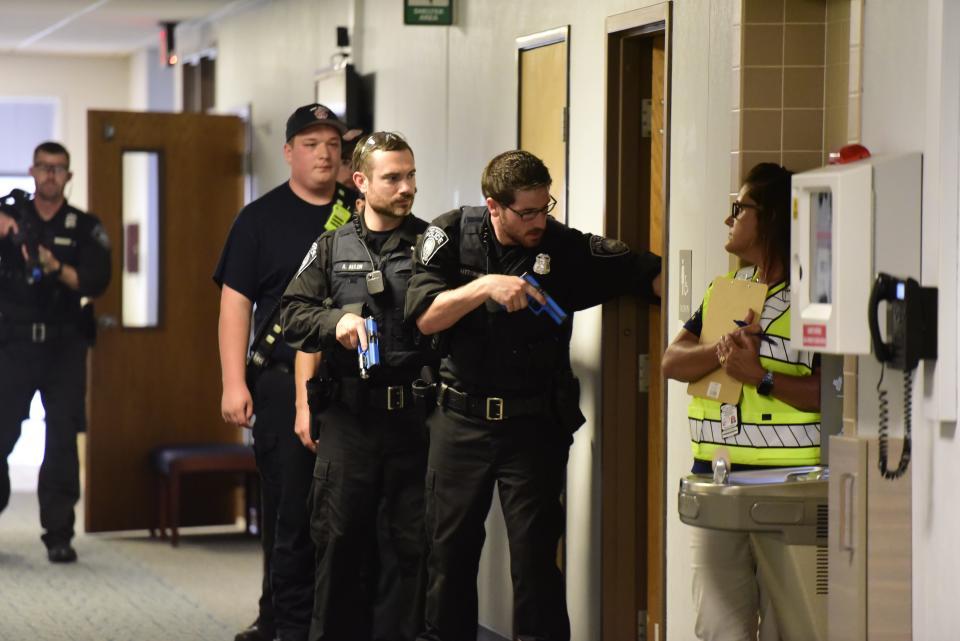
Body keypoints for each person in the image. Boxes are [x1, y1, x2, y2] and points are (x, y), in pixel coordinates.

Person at [404, 149, 663, 641]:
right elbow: (424, 316)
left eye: (545, 207)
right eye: (527, 212)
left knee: (535, 562)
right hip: (459, 422)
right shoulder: (450, 234)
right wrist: (485, 288)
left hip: (531, 428)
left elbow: (647, 273)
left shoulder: (561, 247)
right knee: (448, 557)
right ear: (494, 206)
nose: (538, 220)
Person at [214, 104, 358, 641]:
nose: (324, 153)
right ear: (289, 152)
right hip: (277, 380)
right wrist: (233, 382)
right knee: (287, 505)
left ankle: (321, 617)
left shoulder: (359, 209)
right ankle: (278, 616)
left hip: (348, 382)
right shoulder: (259, 218)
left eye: (333, 144)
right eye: (312, 143)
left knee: (340, 509)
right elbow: (235, 306)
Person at [282, 131, 433, 641]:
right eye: (394, 177)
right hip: (349, 421)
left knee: (409, 550)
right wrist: (337, 323)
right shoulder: (330, 246)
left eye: (411, 175)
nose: (407, 187)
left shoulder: (433, 246)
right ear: (361, 182)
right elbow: (291, 315)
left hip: (414, 422)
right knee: (338, 545)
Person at [661, 163, 821, 641]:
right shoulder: (726, 290)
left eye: (739, 209)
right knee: (718, 628)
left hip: (787, 488)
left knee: (789, 628)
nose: (729, 220)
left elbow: (834, 394)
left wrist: (762, 376)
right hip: (717, 484)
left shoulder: (813, 297)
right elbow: (672, 361)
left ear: (769, 218)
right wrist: (722, 351)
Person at [0, 141, 111, 563]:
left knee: (62, 438)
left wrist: (54, 266)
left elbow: (96, 281)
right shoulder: (11, 218)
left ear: (68, 175)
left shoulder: (84, 226)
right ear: (31, 171)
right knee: (1, 432)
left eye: (58, 168)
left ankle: (59, 534)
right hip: (12, 344)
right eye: (43, 167)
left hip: (64, 346)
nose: (50, 175)